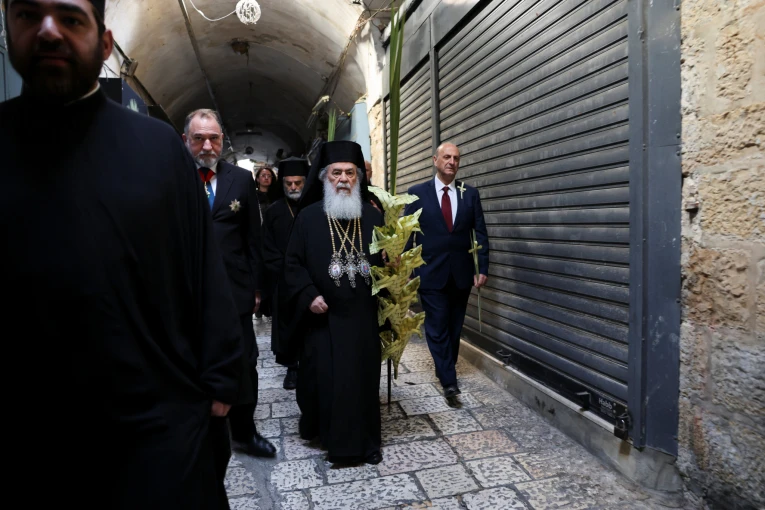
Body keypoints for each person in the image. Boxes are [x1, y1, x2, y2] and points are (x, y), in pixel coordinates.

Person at [0, 1, 241, 508]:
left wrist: (221, 377)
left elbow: (203, 266)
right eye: (27, 15)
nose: (48, 32)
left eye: (70, 18)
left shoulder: (157, 148)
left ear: (105, 43)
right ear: (8, 26)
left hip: (157, 426)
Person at [283, 141, 385, 465]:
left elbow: (386, 264)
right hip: (324, 320)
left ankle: (368, 443)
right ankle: (334, 441)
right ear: (324, 177)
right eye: (336, 172)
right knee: (329, 382)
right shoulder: (308, 218)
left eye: (350, 173)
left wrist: (393, 265)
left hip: (362, 319)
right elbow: (292, 264)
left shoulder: (373, 216)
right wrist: (309, 295)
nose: (343, 179)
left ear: (358, 178)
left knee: (364, 381)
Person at [183, 109, 276, 459]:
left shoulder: (240, 179)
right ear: (186, 140)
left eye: (214, 138)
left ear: (223, 140)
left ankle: (244, 431)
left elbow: (253, 238)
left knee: (244, 360)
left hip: (234, 289)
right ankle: (196, 426)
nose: (207, 146)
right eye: (199, 139)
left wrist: (256, 288)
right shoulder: (174, 175)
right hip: (189, 291)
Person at [403, 142, 489, 399]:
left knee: (454, 326)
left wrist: (482, 267)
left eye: (456, 158)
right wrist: (405, 267)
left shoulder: (469, 194)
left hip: (461, 273)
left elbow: (480, 233)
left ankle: (445, 367)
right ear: (435, 160)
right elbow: (408, 232)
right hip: (430, 272)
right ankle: (449, 380)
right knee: (437, 325)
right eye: (447, 157)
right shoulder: (417, 193)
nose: (452, 162)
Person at [262, 157, 310, 390]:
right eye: (288, 183)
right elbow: (266, 247)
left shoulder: (315, 207)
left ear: (305, 182)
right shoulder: (274, 211)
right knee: (288, 325)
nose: (293, 187)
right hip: (284, 280)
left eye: (297, 183)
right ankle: (292, 368)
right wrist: (285, 271)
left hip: (312, 278)